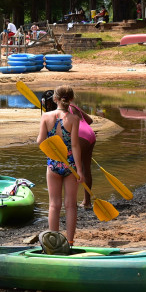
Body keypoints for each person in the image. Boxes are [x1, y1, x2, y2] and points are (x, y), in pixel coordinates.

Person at [36, 85, 83, 246]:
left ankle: (54, 243)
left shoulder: (46, 117)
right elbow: (75, 145)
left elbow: (40, 141)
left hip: (53, 164)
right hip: (70, 166)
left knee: (54, 205)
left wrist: (50, 150)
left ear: (54, 99)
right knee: (71, 205)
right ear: (71, 99)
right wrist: (80, 170)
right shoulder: (74, 119)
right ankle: (70, 241)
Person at [43, 90, 96, 210]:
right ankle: (87, 202)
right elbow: (89, 121)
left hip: (80, 137)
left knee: (72, 168)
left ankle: (72, 203)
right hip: (90, 135)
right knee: (86, 169)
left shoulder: (57, 113)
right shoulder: (72, 106)